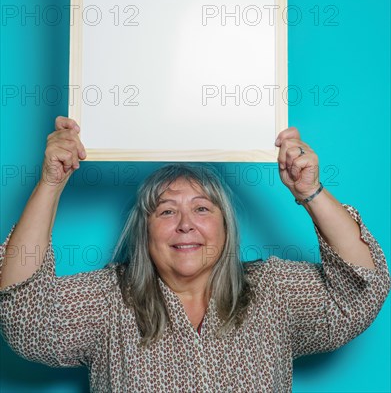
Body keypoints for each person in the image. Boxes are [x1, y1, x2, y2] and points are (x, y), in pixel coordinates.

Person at [0, 116, 390, 393]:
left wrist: (310, 191)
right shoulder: (109, 300)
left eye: (202, 208)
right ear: (144, 230)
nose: (185, 224)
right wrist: (51, 183)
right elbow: (25, 319)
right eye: (166, 210)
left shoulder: (273, 291)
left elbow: (361, 289)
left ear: (225, 226)